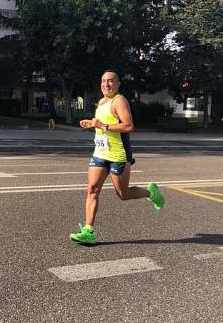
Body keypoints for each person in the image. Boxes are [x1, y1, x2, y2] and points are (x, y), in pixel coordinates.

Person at [70, 70, 164, 245]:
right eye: (103, 81)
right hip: (100, 153)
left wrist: (102, 125)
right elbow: (103, 124)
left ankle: (151, 193)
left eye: (110, 81)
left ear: (118, 84)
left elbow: (128, 126)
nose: (106, 84)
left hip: (118, 154)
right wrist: (92, 123)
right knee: (92, 189)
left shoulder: (119, 101)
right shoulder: (102, 101)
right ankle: (88, 231)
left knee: (123, 194)